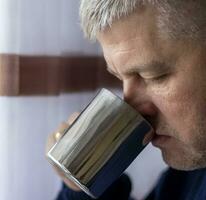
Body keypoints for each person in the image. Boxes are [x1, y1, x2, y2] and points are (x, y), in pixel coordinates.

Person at [46, 0, 206, 199]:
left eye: (153, 76)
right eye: (120, 79)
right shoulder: (186, 179)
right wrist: (82, 186)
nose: (131, 107)